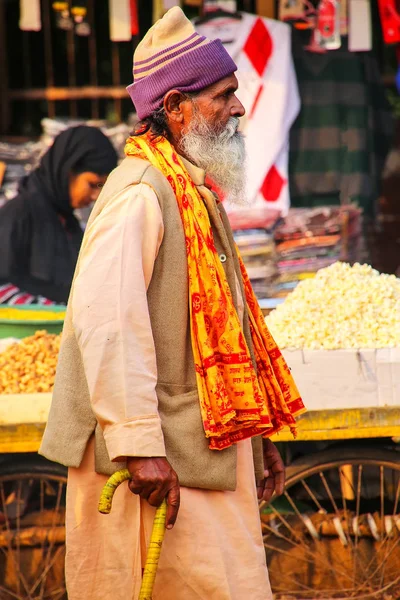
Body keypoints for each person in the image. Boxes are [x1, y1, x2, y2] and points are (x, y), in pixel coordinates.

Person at [40, 7, 305, 600]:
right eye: (223, 95)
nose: (239, 108)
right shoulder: (140, 194)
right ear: (177, 107)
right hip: (153, 461)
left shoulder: (189, 191)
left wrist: (256, 442)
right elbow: (109, 326)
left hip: (200, 450)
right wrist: (137, 446)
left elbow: (221, 331)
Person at [0, 125, 118, 305]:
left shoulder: (68, 223)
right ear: (67, 171)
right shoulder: (18, 213)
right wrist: (54, 311)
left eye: (101, 187)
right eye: (92, 184)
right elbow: (3, 286)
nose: (96, 197)